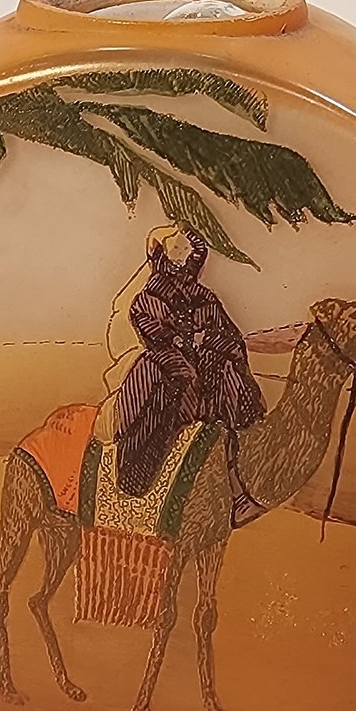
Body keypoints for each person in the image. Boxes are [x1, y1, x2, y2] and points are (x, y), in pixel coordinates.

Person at [105, 225, 267, 526]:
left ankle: (238, 491)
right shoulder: (147, 299)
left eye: (186, 249)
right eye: (176, 249)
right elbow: (152, 334)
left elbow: (227, 331)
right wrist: (183, 340)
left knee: (229, 379)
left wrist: (210, 341)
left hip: (205, 366)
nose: (182, 255)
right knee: (172, 390)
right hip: (166, 367)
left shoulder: (203, 295)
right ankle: (149, 482)